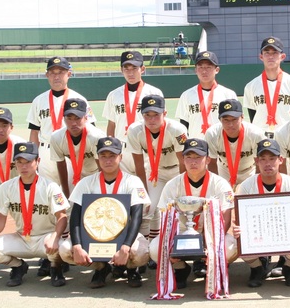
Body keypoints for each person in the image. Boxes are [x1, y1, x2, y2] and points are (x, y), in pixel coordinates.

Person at [26, 56, 95, 275]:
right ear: (47, 75)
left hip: (74, 154)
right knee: (50, 203)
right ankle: (52, 253)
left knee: (74, 200)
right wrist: (32, 159)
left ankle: (80, 243)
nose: (57, 76)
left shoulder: (79, 98)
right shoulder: (39, 100)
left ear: (69, 74)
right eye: (53, 72)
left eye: (61, 72)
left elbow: (90, 132)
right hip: (46, 154)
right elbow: (34, 133)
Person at [60, 137, 151, 289]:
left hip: (124, 234)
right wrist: (76, 246)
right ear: (97, 158)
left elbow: (137, 217)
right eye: (103, 156)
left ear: (120, 157)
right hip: (93, 235)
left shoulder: (132, 181)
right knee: (65, 250)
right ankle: (101, 267)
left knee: (140, 252)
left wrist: (126, 247)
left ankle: (130, 269)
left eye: (112, 156)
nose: (108, 160)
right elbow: (75, 217)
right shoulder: (86, 182)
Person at [148, 138, 237, 289]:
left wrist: (210, 241)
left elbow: (226, 216)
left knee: (230, 246)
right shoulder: (173, 184)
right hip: (181, 234)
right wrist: (170, 244)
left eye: (198, 157)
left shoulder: (219, 183)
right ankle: (180, 268)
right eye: (189, 157)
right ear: (183, 159)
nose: (193, 162)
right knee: (155, 248)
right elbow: (164, 216)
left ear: (208, 159)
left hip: (210, 233)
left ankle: (213, 268)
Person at [0, 142, 70, 287]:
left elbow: (62, 217)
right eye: (19, 162)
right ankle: (18, 266)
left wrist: (55, 237)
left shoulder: (50, 186)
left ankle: (56, 267)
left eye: (28, 162)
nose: (24, 166)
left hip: (45, 237)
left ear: (38, 161)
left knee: (63, 248)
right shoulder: (6, 187)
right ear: (15, 164)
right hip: (21, 237)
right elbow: (0, 218)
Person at [234, 139, 290, 288]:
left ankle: (289, 268)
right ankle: (257, 268)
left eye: (272, 159)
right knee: (237, 241)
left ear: (280, 160)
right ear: (256, 161)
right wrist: (238, 229)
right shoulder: (246, 186)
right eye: (263, 159)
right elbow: (242, 220)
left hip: (286, 234)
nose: (268, 164)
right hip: (259, 234)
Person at [127, 95, 188, 260]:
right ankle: (148, 249)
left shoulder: (177, 129)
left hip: (177, 171)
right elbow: (138, 165)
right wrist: (144, 192)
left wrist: (183, 185)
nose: (151, 119)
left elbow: (183, 162)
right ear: (142, 115)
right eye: (147, 115)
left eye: (156, 115)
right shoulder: (135, 130)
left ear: (165, 113)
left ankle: (184, 247)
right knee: (148, 208)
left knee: (181, 208)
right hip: (156, 172)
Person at [102, 50, 163, 174]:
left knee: (146, 189)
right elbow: (111, 125)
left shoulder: (154, 93)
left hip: (146, 148)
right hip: (122, 150)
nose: (130, 73)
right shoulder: (114, 95)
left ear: (142, 69)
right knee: (123, 190)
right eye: (126, 69)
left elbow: (161, 123)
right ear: (121, 70)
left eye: (134, 68)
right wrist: (111, 149)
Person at [243, 36, 290, 137]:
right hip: (260, 137)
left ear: (282, 56)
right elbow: (252, 115)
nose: (270, 56)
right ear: (261, 57)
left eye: (275, 53)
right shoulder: (251, 86)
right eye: (267, 53)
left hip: (287, 136)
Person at [50, 98, 106, 198]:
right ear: (64, 118)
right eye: (69, 118)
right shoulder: (56, 137)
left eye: (77, 118)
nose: (73, 123)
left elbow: (102, 166)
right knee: (69, 205)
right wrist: (66, 193)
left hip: (95, 171)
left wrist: (103, 189)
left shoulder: (96, 136)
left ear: (86, 118)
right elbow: (61, 165)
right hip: (74, 171)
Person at [175, 51, 237, 139]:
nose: (204, 71)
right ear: (195, 70)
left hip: (221, 146)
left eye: (209, 67)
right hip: (196, 147)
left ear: (217, 70)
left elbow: (235, 123)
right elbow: (183, 125)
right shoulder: (186, 95)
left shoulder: (228, 94)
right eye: (200, 67)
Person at [205, 99, 265, 190]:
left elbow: (260, 161)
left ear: (242, 117)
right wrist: (216, 185)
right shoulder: (212, 134)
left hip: (249, 171)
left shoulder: (255, 134)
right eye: (226, 120)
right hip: (224, 170)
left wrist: (256, 183)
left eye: (234, 119)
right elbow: (212, 162)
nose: (231, 124)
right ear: (220, 119)